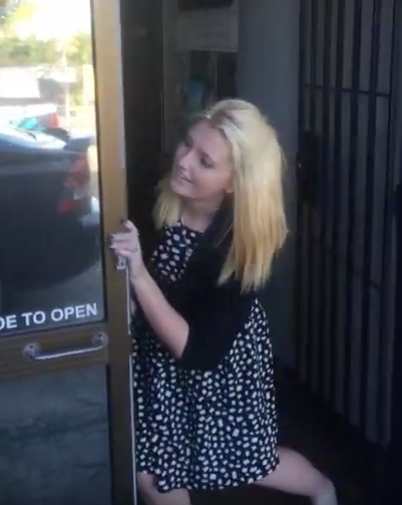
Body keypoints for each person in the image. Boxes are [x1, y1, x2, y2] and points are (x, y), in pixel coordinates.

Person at [109, 99, 339, 505]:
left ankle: (323, 489)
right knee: (153, 475)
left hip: (217, 365)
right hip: (159, 362)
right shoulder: (160, 194)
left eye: (205, 162)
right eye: (187, 146)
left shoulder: (240, 248)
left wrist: (138, 275)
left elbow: (195, 351)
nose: (184, 162)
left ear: (233, 182)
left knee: (249, 460)